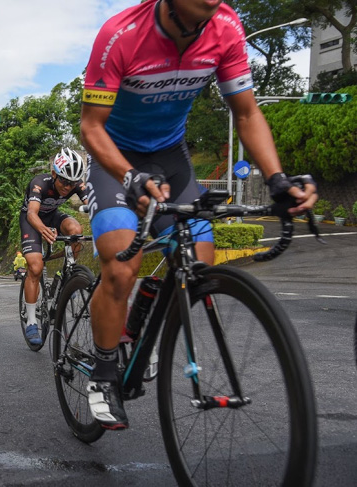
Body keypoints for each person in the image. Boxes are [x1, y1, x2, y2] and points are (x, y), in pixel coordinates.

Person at [80, 0, 318, 430]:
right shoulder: (121, 34)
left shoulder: (226, 26)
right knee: (120, 267)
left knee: (198, 264)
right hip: (116, 156)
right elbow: (91, 126)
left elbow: (245, 112)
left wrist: (277, 178)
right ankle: (102, 371)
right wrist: (129, 176)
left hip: (172, 155)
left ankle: (135, 323)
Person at [20, 147, 88, 345]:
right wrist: (43, 230)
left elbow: (93, 204)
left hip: (52, 215)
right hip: (31, 219)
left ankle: (65, 271)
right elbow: (32, 214)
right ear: (54, 174)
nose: (68, 187)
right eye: (65, 181)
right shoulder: (39, 183)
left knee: (76, 230)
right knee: (35, 267)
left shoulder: (75, 182)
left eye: (72, 183)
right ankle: (32, 320)